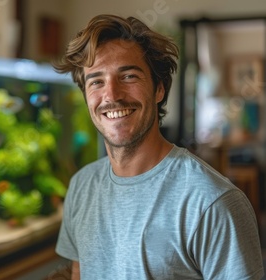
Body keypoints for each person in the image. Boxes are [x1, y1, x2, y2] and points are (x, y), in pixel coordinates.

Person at [53, 14, 264, 279]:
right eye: (96, 81)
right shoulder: (81, 186)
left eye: (128, 76)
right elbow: (79, 273)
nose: (111, 95)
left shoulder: (212, 201)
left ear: (159, 89)